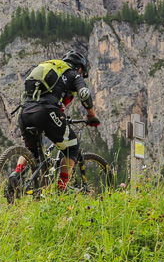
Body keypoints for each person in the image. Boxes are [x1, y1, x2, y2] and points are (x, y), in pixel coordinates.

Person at [9, 50, 100, 192]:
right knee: (72, 148)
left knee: (33, 151)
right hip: (46, 112)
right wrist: (91, 116)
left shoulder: (48, 69)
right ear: (80, 68)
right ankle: (61, 188)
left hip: (24, 112)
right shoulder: (73, 74)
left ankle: (17, 173)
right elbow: (84, 94)